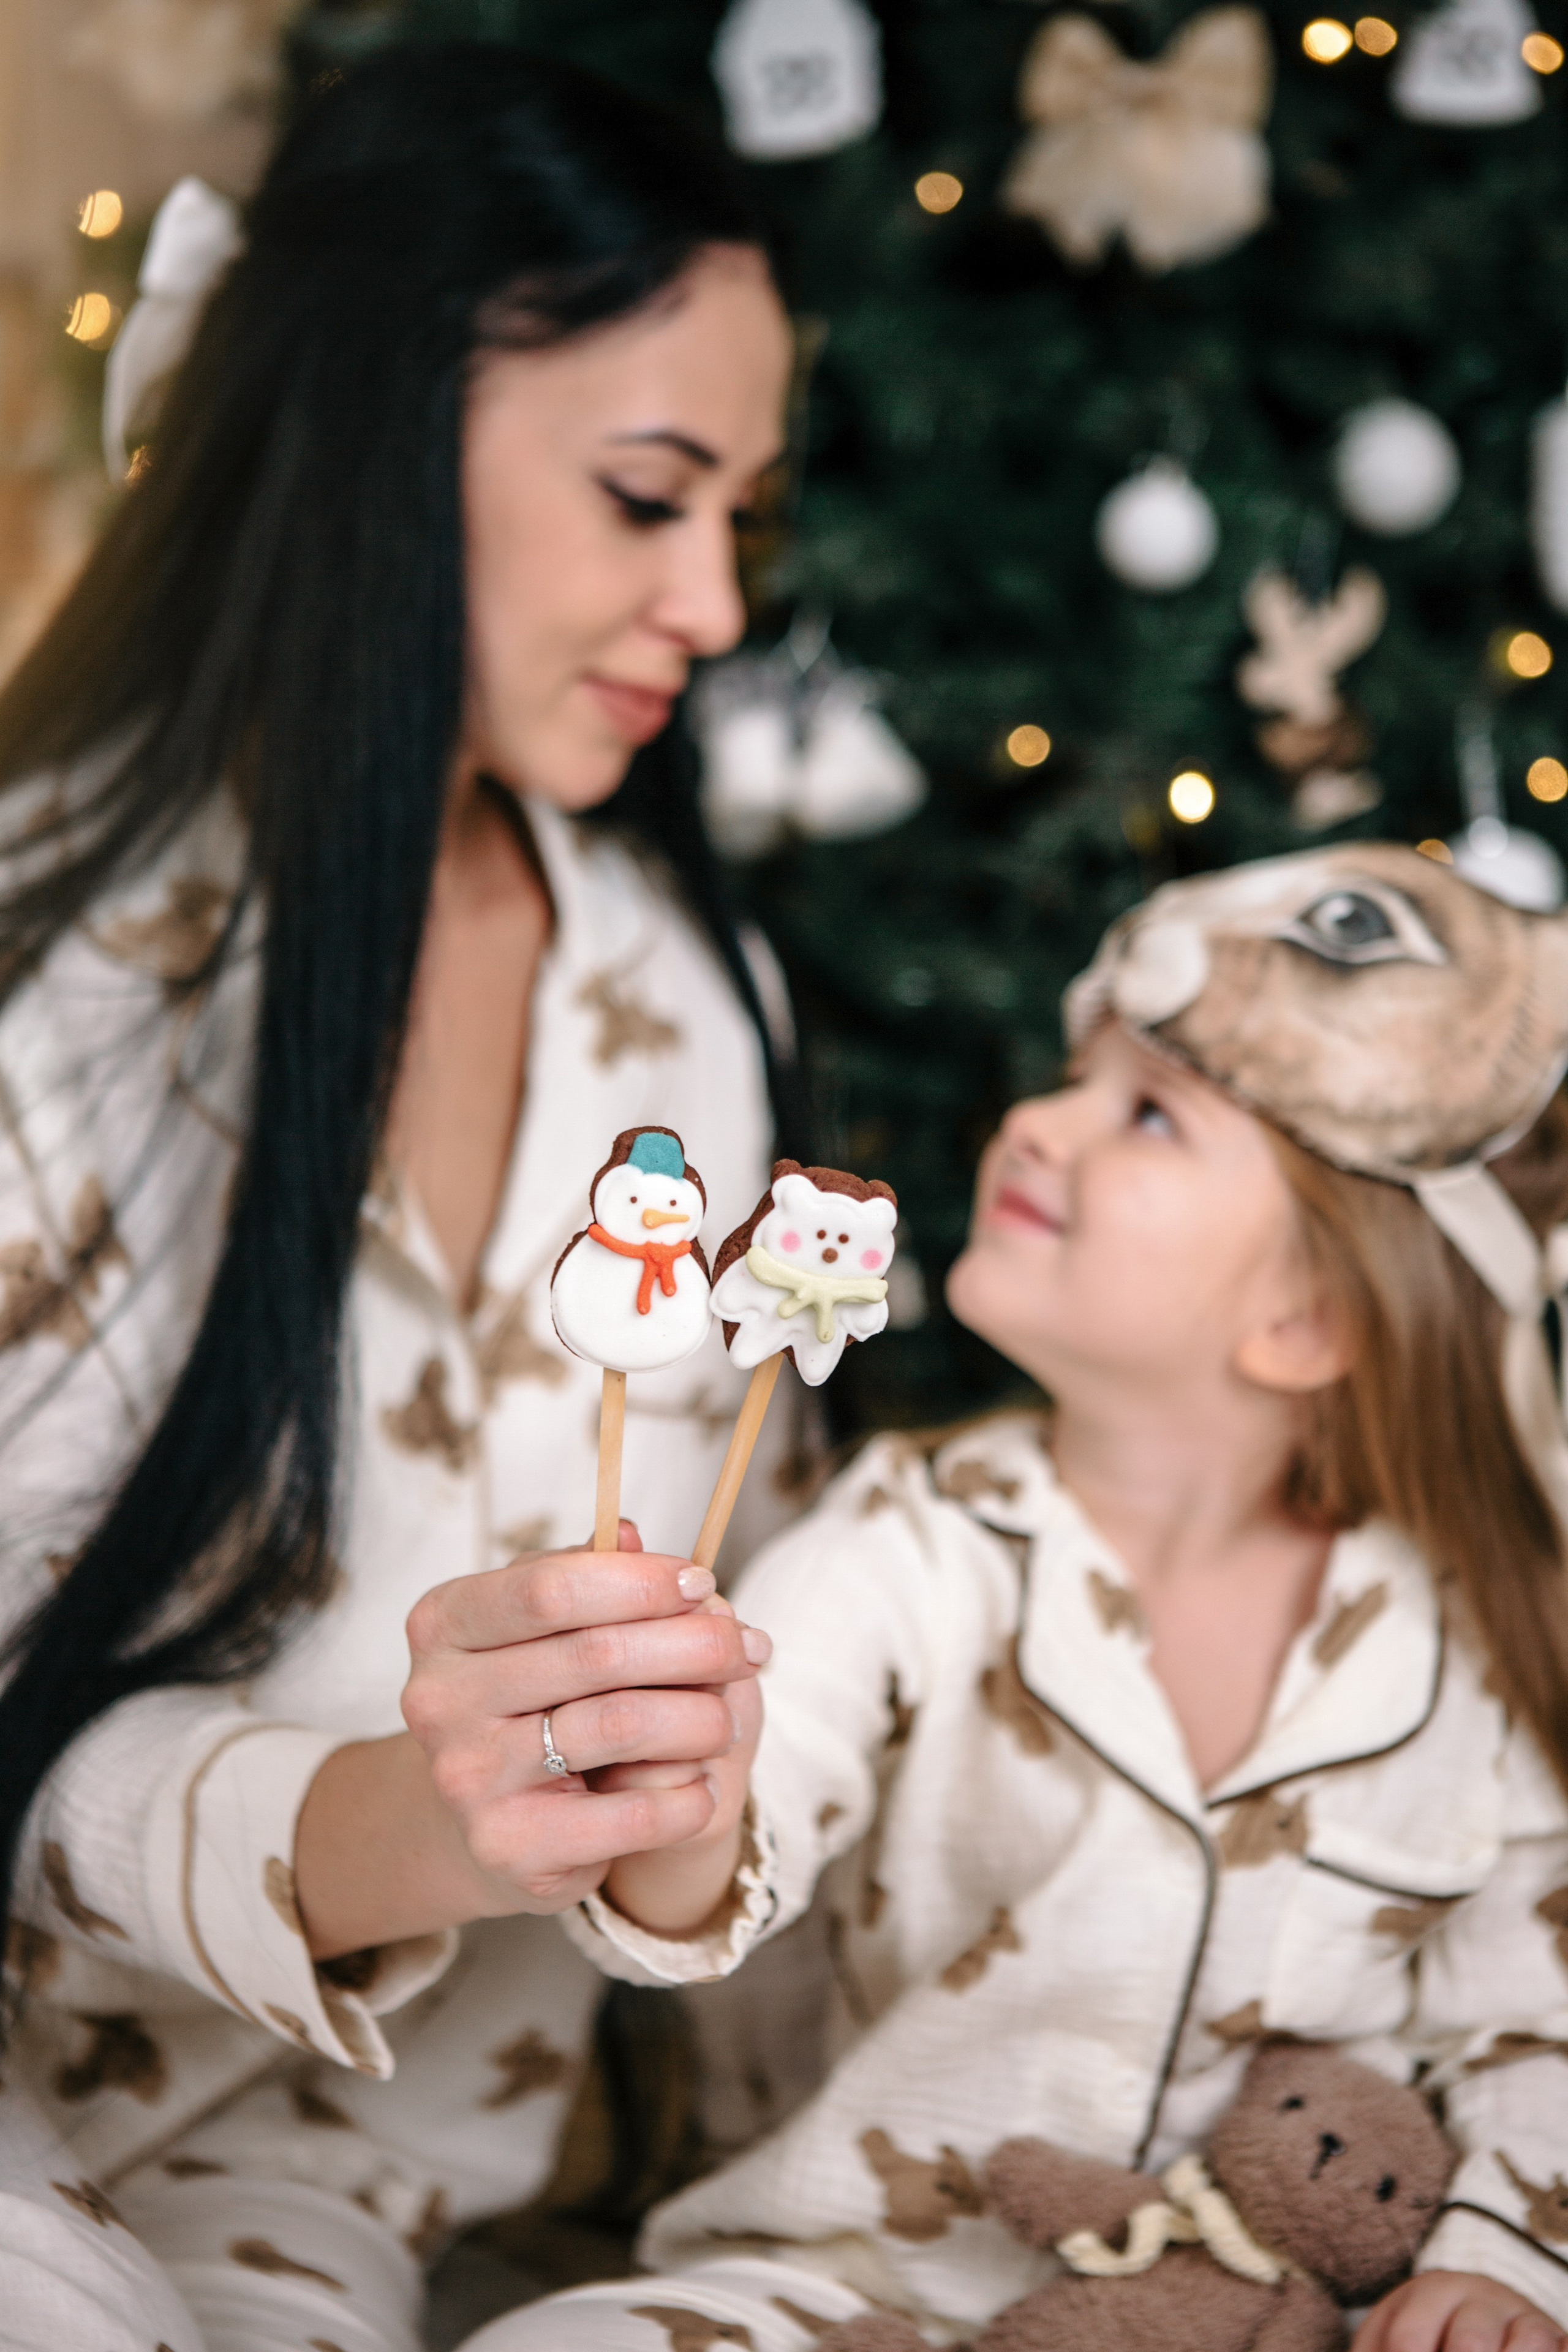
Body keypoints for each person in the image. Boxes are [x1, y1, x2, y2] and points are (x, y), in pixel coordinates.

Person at [0, 46, 797, 2352]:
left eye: (745, 508)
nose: (720, 602)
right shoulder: (56, 986)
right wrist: (403, 1821)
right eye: (651, 496)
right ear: (373, 442)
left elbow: (770, 1626)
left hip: (343, 2169)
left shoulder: (688, 993)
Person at [482, 844, 1568, 2352]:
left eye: (1145, 1114)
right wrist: (678, 1790)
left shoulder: (1459, 1649)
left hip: (1270, 2321)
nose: (1034, 1123)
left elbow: (1531, 2021)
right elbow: (734, 1841)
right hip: (862, 2292)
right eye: (1070, 1074)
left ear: (1307, 1315)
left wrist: (1501, 2265)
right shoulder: (916, 1541)